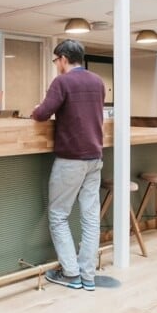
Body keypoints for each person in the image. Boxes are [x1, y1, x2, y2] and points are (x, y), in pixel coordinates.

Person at [31, 39, 105, 292]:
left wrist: (36, 109)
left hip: (71, 159)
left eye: (55, 61)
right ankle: (88, 275)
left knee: (59, 215)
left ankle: (71, 273)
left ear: (62, 58)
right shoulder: (97, 82)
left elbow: (42, 114)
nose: (56, 66)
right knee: (90, 217)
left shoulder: (62, 81)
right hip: (95, 158)